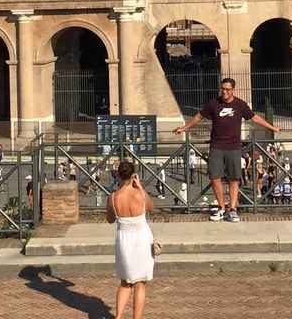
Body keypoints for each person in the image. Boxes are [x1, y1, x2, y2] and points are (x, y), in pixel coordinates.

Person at [172, 77, 281, 222]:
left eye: (227, 89)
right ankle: (221, 208)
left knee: (234, 178)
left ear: (233, 90)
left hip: (234, 147)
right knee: (214, 177)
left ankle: (233, 209)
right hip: (216, 146)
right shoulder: (214, 103)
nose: (224, 92)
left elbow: (254, 118)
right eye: (222, 89)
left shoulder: (240, 104)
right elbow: (199, 116)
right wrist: (184, 128)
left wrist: (272, 127)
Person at [105, 159, 154, 319]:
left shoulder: (113, 197)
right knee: (140, 283)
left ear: (118, 175)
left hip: (124, 239)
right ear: (133, 175)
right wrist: (140, 187)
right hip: (142, 238)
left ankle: (118, 316)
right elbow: (151, 207)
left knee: (125, 282)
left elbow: (110, 219)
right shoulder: (140, 194)